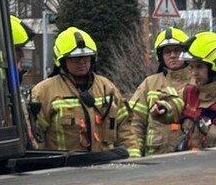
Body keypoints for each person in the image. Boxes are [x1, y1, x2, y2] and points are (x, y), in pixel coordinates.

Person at [30, 26, 139, 157]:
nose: (82, 62)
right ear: (62, 61)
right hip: (64, 171)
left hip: (106, 168)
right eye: (75, 58)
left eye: (86, 57)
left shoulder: (107, 88)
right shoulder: (44, 92)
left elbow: (125, 129)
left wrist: (133, 162)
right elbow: (35, 137)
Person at [128, 27, 192, 155]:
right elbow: (135, 123)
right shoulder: (149, 84)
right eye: (168, 52)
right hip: (155, 160)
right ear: (161, 56)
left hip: (190, 159)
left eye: (177, 50)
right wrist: (134, 155)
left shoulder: (197, 81)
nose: (173, 55)